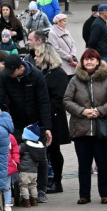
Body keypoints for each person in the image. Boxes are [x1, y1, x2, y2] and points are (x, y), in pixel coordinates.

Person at [64, 49, 107, 204]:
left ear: (98, 61)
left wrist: (100, 111)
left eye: (92, 59)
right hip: (80, 128)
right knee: (83, 164)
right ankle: (84, 195)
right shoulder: (75, 80)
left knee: (103, 162)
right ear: (82, 62)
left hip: (100, 128)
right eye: (86, 59)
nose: (89, 62)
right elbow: (67, 100)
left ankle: (104, 194)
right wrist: (83, 111)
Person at [0, 54, 52, 202]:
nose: (10, 75)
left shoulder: (37, 76)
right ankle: (18, 190)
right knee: (17, 155)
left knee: (40, 155)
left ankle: (40, 190)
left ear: (21, 68)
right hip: (15, 122)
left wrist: (46, 127)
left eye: (12, 72)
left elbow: (44, 102)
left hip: (35, 123)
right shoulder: (5, 76)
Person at [35, 45, 72, 194]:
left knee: (54, 150)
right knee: (50, 150)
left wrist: (46, 111)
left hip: (54, 118)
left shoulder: (58, 74)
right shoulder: (46, 73)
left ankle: (57, 180)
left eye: (38, 55)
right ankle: (52, 179)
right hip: (47, 117)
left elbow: (59, 98)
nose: (35, 59)